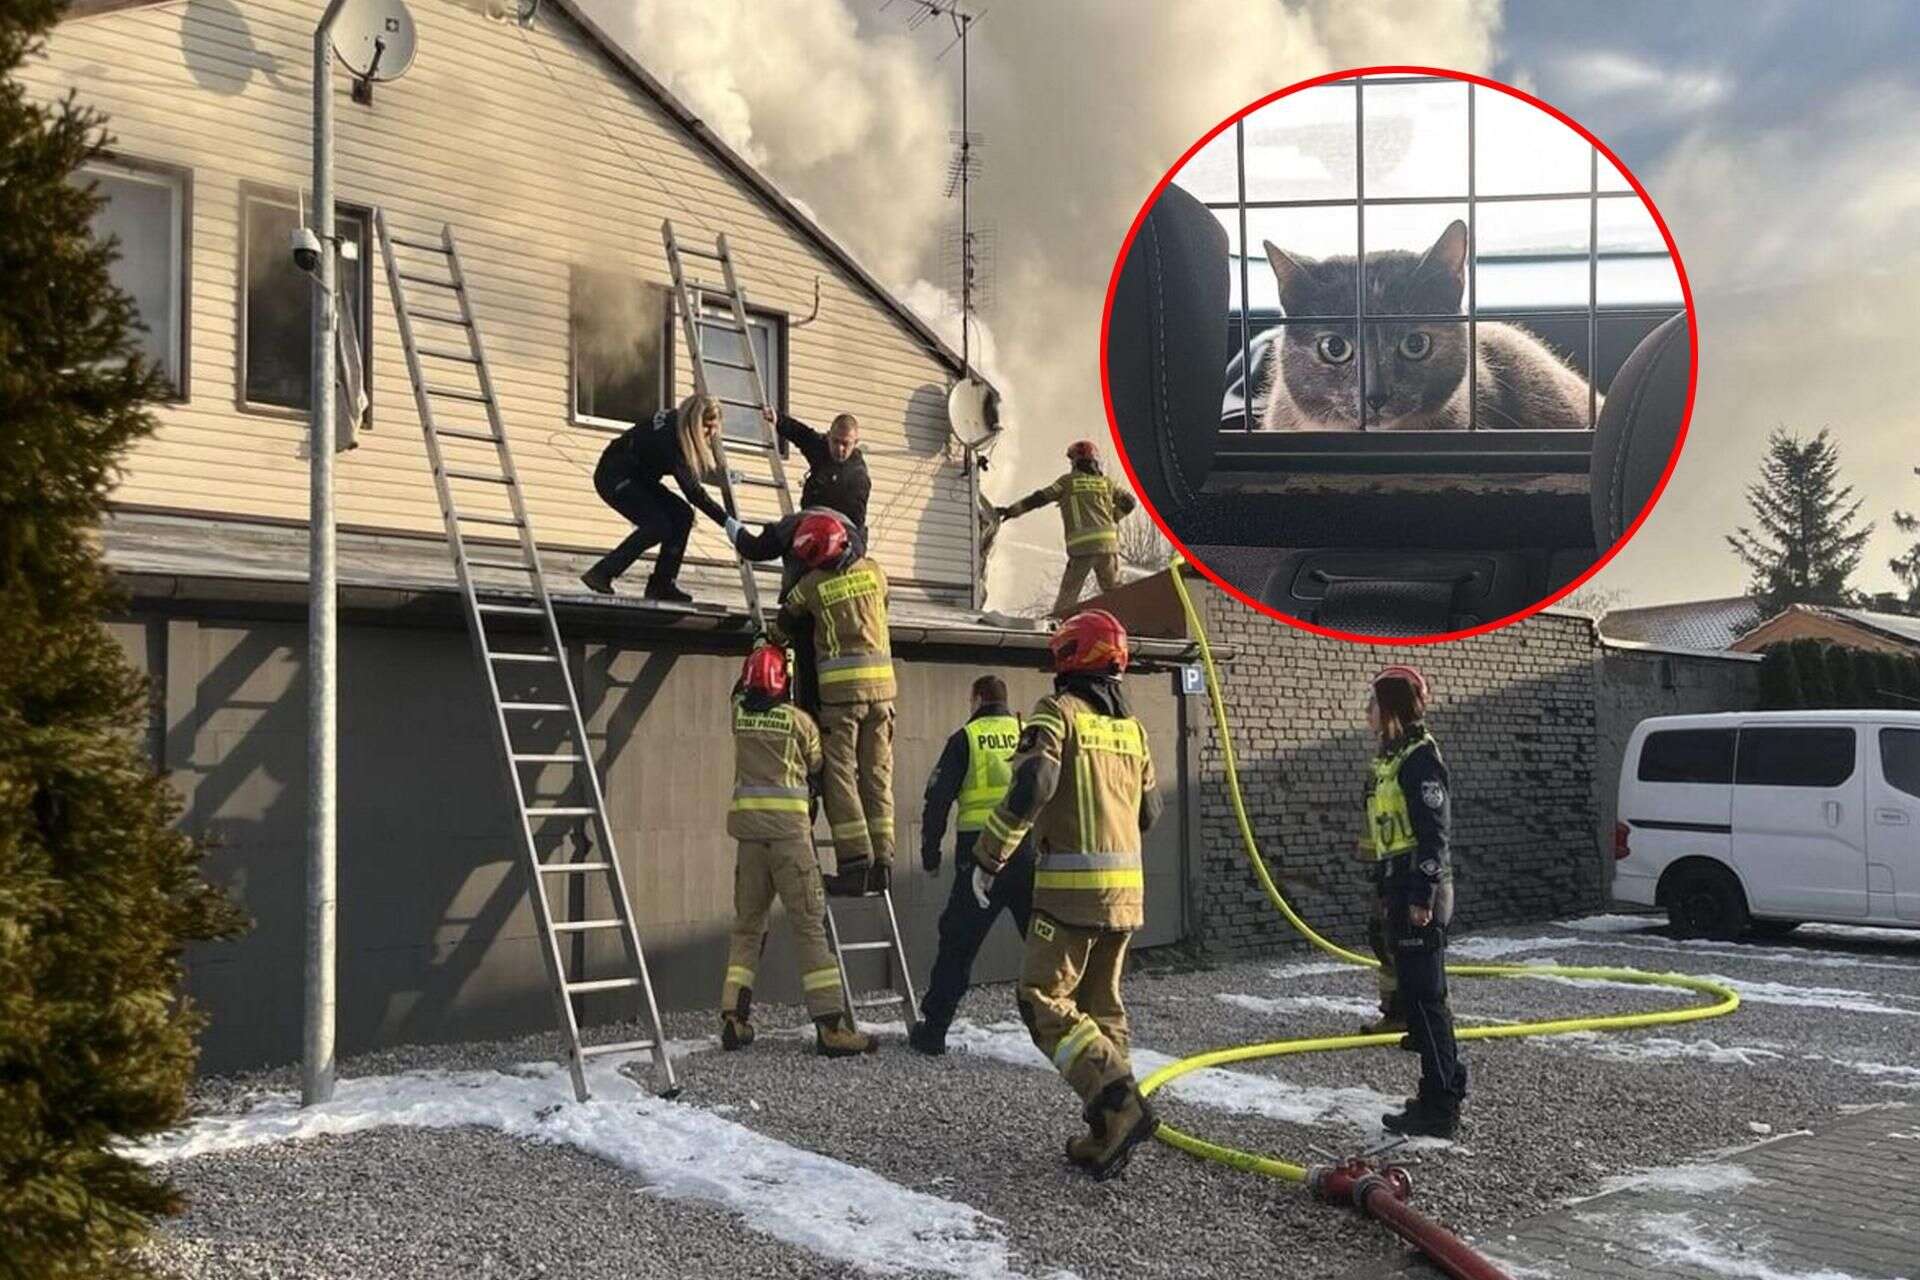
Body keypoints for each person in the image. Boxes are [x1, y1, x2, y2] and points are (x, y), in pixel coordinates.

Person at [973, 609, 1163, 1180]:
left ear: (1067, 658)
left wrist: (990, 856)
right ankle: (1108, 1132)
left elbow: (1034, 784)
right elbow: (1151, 813)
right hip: (1125, 897)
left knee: (1041, 1000)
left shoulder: (1056, 713)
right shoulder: (1134, 730)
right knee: (1103, 1008)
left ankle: (1118, 1102)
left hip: (1069, 896)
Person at [720, 644, 875, 1058]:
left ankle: (734, 1019)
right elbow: (818, 765)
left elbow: (737, 692)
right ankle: (830, 1027)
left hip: (749, 843)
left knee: (747, 927)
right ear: (782, 682)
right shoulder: (799, 724)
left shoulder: (739, 715)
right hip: (791, 840)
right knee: (809, 928)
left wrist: (756, 649)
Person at [1357, 664, 1467, 1139]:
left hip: (1421, 889)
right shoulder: (1390, 758)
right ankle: (1432, 1092)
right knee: (1418, 1001)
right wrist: (1385, 890)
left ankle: (1442, 1106)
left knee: (1428, 1000)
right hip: (1399, 885)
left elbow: (1432, 835)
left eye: (1373, 704)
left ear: (1391, 708)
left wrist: (1420, 895)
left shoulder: (1420, 758)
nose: (1367, 712)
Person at [769, 512, 897, 895]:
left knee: (840, 775)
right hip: (884, 695)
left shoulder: (812, 585)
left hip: (841, 700)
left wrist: (767, 641)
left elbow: (784, 622)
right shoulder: (875, 572)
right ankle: (884, 862)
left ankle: (856, 865)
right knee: (876, 775)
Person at [909, 674, 1034, 1056]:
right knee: (1045, 944)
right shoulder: (1028, 734)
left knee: (958, 941)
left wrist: (930, 854)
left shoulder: (966, 738)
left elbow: (938, 801)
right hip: (1029, 852)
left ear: (977, 699)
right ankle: (1072, 1030)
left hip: (980, 856)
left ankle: (934, 1031)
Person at [580, 394, 730, 602]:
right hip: (613, 475)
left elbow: (691, 475)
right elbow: (693, 492)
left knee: (682, 514)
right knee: (658, 525)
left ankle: (662, 584)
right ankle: (602, 573)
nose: (711, 434)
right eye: (707, 427)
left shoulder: (677, 425)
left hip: (637, 477)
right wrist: (728, 523)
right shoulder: (672, 438)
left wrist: (723, 478)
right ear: (694, 422)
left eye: (715, 428)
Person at [995, 440, 1138, 614]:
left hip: (1083, 548)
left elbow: (1040, 498)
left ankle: (1059, 628)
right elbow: (1130, 502)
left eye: (1072, 460)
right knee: (1114, 593)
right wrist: (1114, 517)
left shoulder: (1068, 482)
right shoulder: (1106, 483)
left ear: (1077, 462)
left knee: (1068, 597)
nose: (1071, 463)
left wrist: (1012, 510)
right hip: (1108, 547)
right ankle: (1128, 622)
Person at [760, 406, 870, 531]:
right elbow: (802, 434)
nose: (840, 449)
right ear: (828, 436)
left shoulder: (858, 475)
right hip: (812, 517)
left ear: (855, 443)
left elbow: (857, 519)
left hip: (841, 528)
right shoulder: (821, 448)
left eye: (845, 444)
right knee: (783, 528)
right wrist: (779, 419)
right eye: (835, 441)